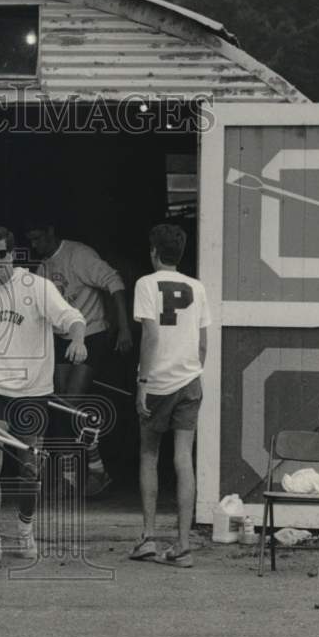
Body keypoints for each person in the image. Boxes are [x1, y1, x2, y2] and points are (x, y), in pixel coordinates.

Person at [0, 226, 86, 570]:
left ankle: (24, 529)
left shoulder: (37, 287)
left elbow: (72, 317)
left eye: (1, 255)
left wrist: (78, 340)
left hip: (33, 392)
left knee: (29, 468)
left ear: (13, 254)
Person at [25, 221, 133, 497]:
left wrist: (123, 328)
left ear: (51, 231)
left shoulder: (78, 256)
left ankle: (79, 475)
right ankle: (90, 471)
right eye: (31, 240)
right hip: (62, 339)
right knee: (63, 406)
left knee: (70, 404)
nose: (34, 245)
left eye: (38, 238)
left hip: (91, 335)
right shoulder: (42, 269)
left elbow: (115, 283)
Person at [128, 224, 209, 568]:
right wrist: (192, 371)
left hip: (158, 381)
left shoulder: (146, 284)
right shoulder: (198, 287)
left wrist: (143, 381)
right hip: (190, 380)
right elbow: (203, 343)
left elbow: (151, 337)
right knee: (183, 459)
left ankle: (147, 537)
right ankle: (183, 546)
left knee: (149, 454)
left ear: (154, 252)